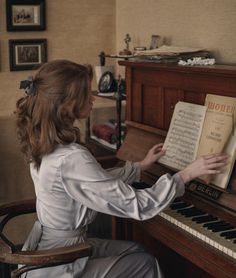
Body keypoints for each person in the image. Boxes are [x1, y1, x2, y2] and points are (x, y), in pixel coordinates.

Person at [15, 60, 228, 278]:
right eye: (86, 93)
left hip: (49, 245)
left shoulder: (46, 143)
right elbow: (138, 205)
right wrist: (186, 174)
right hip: (58, 261)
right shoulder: (71, 158)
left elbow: (94, 181)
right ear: (67, 104)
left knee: (135, 250)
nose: (93, 97)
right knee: (146, 263)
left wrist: (140, 166)